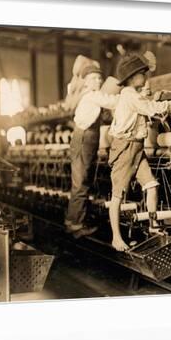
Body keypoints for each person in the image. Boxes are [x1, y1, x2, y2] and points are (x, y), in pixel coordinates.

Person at [107, 53, 171, 251]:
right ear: (133, 77)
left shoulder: (132, 95)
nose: (145, 76)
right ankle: (116, 237)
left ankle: (153, 225)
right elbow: (152, 108)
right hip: (125, 148)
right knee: (118, 196)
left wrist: (155, 98)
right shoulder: (129, 95)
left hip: (136, 148)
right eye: (143, 73)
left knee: (151, 185)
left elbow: (146, 107)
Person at [65, 64, 120, 237]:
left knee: (81, 182)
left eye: (99, 78)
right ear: (87, 82)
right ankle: (76, 225)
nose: (98, 80)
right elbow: (113, 101)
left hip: (86, 138)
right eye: (94, 78)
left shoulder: (88, 96)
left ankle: (72, 220)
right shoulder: (92, 95)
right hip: (84, 139)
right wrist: (131, 96)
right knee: (81, 182)